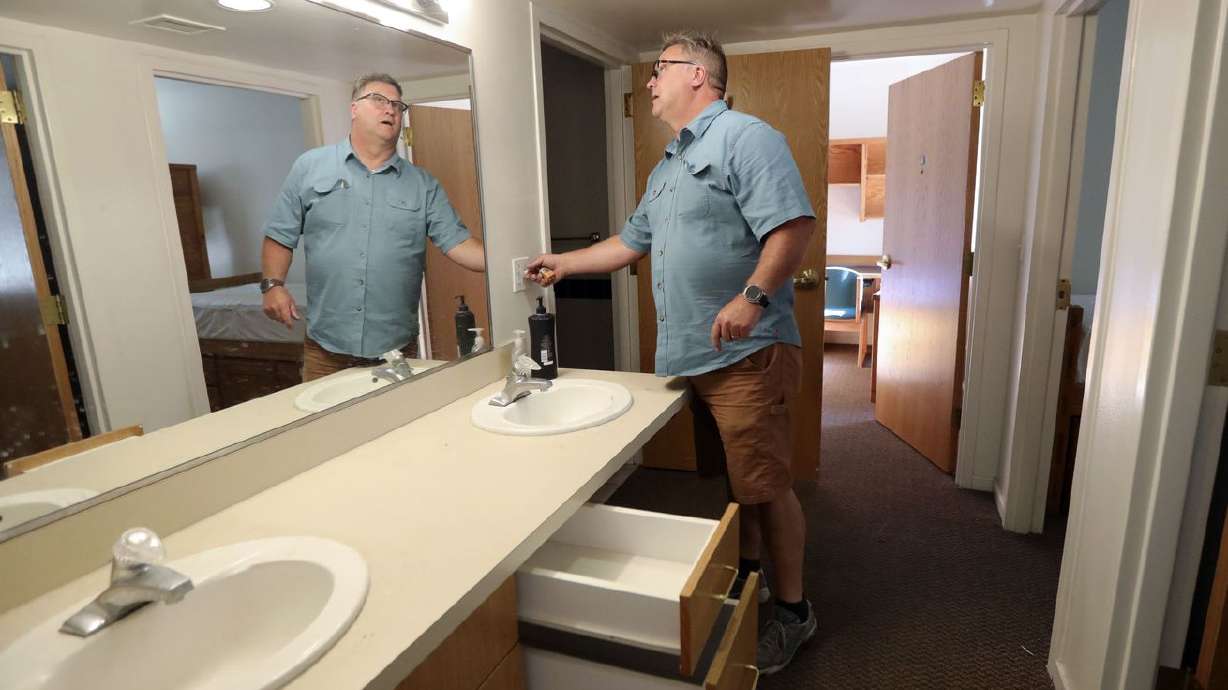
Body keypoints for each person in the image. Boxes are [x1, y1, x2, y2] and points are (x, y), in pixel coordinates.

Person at [526, 31, 817, 674]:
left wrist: (753, 297)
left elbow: (792, 225)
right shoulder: (666, 168)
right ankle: (750, 581)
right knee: (739, 487)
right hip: (693, 357)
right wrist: (562, 264)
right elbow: (629, 244)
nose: (650, 79)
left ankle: (795, 614)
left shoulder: (746, 136)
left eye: (660, 68)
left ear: (699, 76)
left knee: (767, 488)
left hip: (748, 353)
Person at [261, 73, 485, 381]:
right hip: (325, 350)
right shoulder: (310, 167)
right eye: (379, 100)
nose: (390, 109)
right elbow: (280, 235)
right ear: (354, 109)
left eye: (397, 104)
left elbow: (459, 244)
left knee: (399, 429)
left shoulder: (423, 185)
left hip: (396, 351)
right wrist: (273, 285)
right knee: (326, 429)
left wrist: (513, 264)